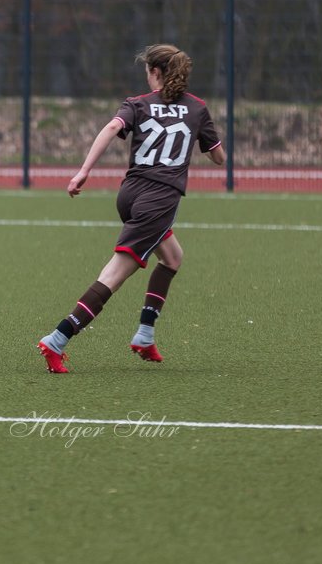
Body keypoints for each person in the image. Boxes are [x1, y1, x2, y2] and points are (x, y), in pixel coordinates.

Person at [35, 44, 225, 374]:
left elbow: (111, 128)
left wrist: (83, 171)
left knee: (172, 257)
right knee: (114, 275)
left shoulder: (137, 103)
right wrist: (209, 148)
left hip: (130, 193)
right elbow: (218, 156)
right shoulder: (197, 109)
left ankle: (145, 334)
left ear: (155, 73)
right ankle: (58, 338)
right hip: (159, 200)